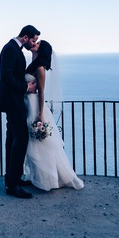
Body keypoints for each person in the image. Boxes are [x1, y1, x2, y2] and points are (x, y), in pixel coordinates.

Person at [23, 40, 84, 191]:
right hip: (27, 103)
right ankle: (39, 176)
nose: (34, 44)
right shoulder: (33, 63)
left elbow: (42, 92)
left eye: (37, 44)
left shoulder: (40, 68)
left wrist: (40, 115)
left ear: (41, 50)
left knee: (40, 144)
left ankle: (50, 179)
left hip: (35, 106)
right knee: (34, 143)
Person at [0, 25, 40, 199]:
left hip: (13, 101)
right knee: (20, 139)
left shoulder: (12, 48)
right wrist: (26, 87)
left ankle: (13, 179)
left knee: (13, 139)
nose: (33, 43)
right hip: (12, 102)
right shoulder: (11, 49)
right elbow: (7, 76)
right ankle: (12, 185)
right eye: (33, 40)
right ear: (26, 37)